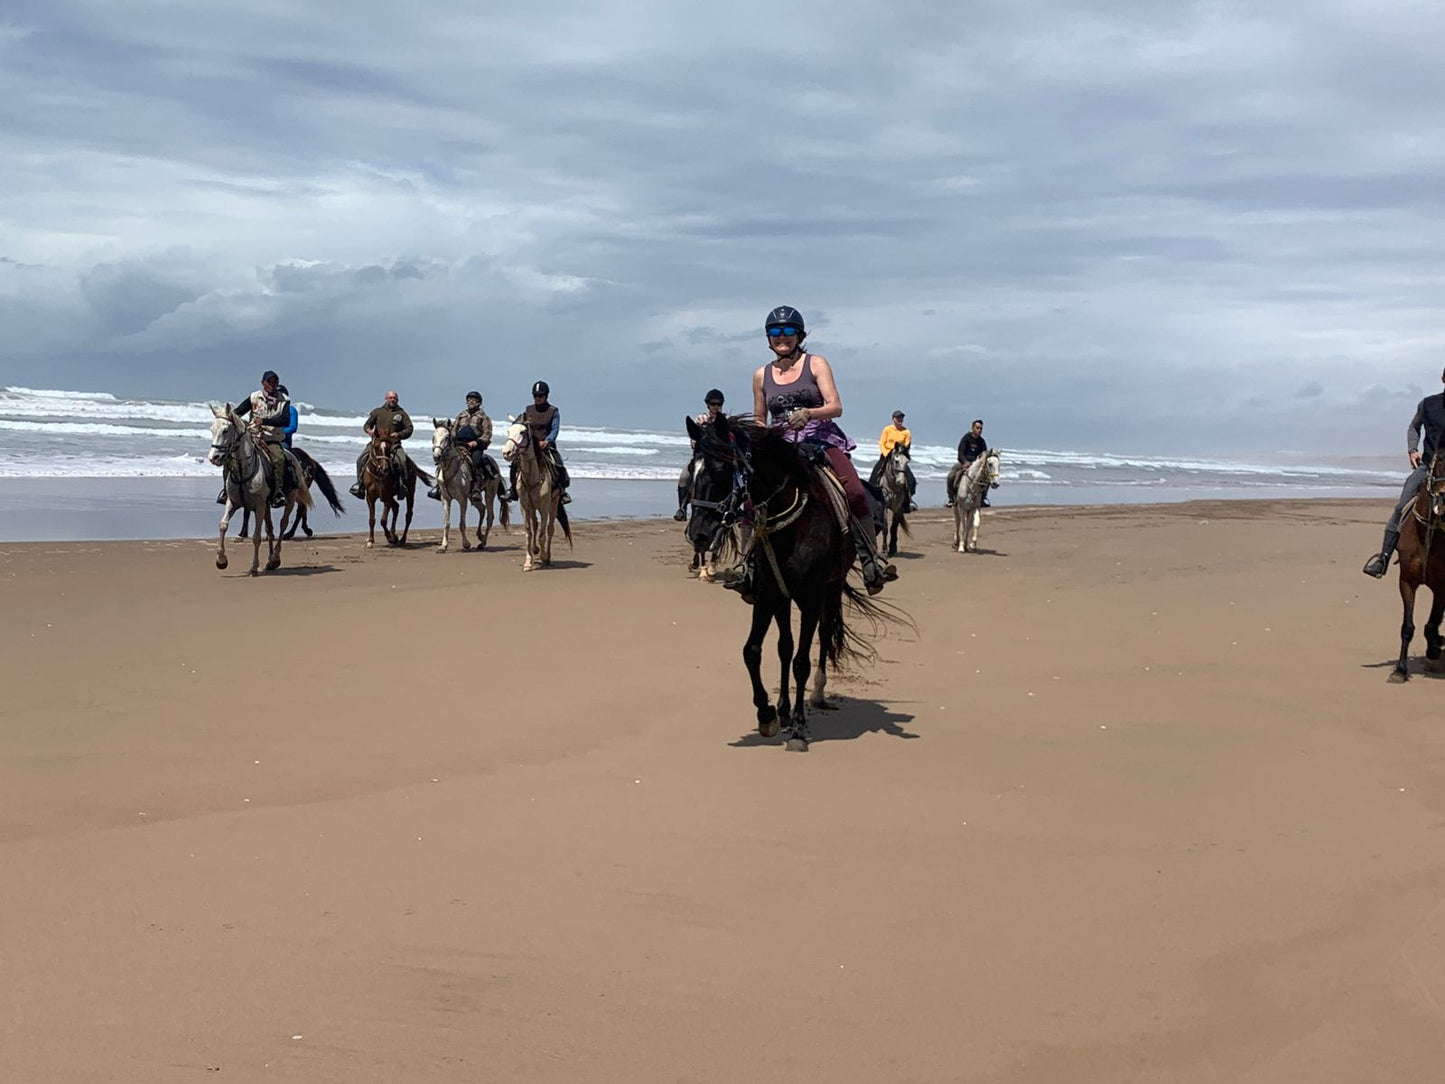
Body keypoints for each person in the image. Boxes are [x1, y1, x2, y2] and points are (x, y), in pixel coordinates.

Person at [736, 304, 894, 595]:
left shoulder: (816, 364)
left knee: (855, 491)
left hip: (820, 439)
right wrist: (757, 435)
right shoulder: (761, 375)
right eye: (775, 332)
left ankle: (871, 560)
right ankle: (746, 565)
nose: (781, 337)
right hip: (781, 446)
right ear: (768, 337)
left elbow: (836, 406)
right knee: (751, 499)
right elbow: (760, 417)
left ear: (799, 335)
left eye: (787, 331)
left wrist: (809, 413)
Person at [1363, 367, 1445, 578]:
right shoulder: (1428, 404)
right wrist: (1412, 450)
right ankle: (1383, 558)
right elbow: (1414, 427)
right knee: (1401, 507)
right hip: (1428, 468)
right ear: (1443, 379)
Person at [217, 370, 290, 507]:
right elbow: (238, 412)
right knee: (230, 457)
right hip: (252, 436)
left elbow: (285, 420)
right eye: (269, 381)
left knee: (279, 459)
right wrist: (226, 417)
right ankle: (226, 491)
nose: (272, 384)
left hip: (271, 439)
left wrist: (264, 421)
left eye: (275, 381)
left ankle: (278, 493)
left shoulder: (284, 400)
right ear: (263, 383)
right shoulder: (254, 397)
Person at [506, 380, 571, 505]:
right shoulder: (528, 410)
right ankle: (513, 490)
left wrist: (547, 441)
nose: (538, 398)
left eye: (540, 396)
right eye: (535, 396)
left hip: (546, 446)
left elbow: (555, 429)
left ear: (546, 396)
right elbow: (521, 424)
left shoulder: (553, 411)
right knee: (515, 464)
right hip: (530, 446)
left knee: (558, 464)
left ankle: (562, 492)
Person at [428, 391, 495, 500]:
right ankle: (439, 487)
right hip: (459, 444)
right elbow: (454, 430)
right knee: (444, 458)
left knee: (476, 461)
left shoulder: (483, 417)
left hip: (475, 446)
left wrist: (477, 442)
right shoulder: (461, 415)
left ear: (479, 403)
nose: (471, 401)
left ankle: (476, 489)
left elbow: (487, 433)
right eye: (469, 399)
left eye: (474, 400)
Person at [349, 390, 414, 499]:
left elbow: (409, 429)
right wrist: (369, 430)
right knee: (360, 459)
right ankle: (359, 485)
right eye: (390, 397)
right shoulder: (377, 412)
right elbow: (367, 424)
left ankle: (402, 487)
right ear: (386, 399)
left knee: (402, 461)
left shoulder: (402, 413)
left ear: (397, 400)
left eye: (394, 398)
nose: (392, 400)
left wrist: (399, 434)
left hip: (393, 445)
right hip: (377, 444)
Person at [675, 388, 727, 521]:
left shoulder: (725, 420)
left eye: (718, 404)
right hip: (702, 456)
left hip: (719, 458)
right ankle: (682, 508)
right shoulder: (701, 419)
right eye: (713, 404)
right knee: (684, 477)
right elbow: (694, 441)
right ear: (708, 404)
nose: (716, 407)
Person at [868, 409, 918, 513]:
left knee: (911, 480)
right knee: (875, 474)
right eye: (898, 418)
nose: (900, 420)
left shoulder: (906, 432)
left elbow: (906, 446)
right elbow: (882, 443)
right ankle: (871, 498)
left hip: (899, 457)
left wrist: (901, 454)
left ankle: (908, 501)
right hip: (886, 456)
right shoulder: (887, 430)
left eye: (901, 418)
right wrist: (887, 454)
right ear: (893, 419)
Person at [946, 419, 992, 508]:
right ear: (973, 428)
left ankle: (982, 498)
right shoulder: (966, 438)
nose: (979, 430)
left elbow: (984, 455)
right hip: (965, 463)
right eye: (977, 428)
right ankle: (951, 499)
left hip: (977, 465)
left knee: (988, 478)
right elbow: (960, 452)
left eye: (981, 428)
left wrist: (981, 463)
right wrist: (964, 462)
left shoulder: (982, 441)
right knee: (951, 476)